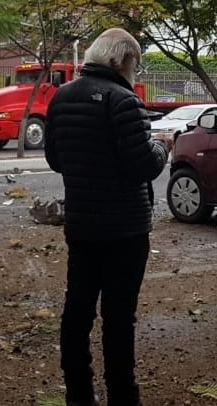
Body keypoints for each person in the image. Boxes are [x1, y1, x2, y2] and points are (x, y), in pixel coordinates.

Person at [44, 28, 169, 406]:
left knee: (77, 312)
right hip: (125, 229)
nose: (137, 71)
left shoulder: (61, 98)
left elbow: (54, 159)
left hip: (81, 224)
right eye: (136, 63)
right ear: (121, 61)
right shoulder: (124, 101)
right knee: (118, 319)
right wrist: (162, 147)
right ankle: (123, 396)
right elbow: (142, 165)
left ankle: (79, 395)